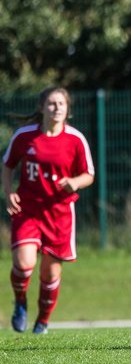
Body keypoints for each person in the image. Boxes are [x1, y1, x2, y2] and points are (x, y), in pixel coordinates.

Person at [2, 87, 95, 334]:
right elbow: (8, 165)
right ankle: (20, 302)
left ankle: (42, 321)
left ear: (67, 109)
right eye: (52, 104)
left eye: (61, 104)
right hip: (28, 209)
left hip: (60, 213)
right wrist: (8, 192)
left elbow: (89, 175)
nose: (56, 108)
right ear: (42, 107)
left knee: (50, 273)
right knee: (24, 264)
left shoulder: (75, 139)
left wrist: (75, 182)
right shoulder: (24, 136)